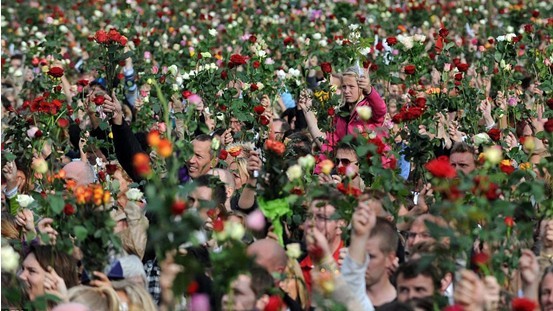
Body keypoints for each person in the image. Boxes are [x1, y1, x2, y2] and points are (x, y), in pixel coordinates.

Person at [300, 68, 387, 151]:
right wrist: (307, 109)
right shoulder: (341, 114)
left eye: (351, 86)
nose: (346, 90)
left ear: (361, 87)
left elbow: (381, 110)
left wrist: (369, 90)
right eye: (344, 87)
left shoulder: (369, 109)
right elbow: (327, 144)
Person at [300, 190, 346, 293]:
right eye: (309, 216)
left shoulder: (349, 267)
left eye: (321, 217)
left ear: (340, 225)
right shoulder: (296, 266)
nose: (311, 223)